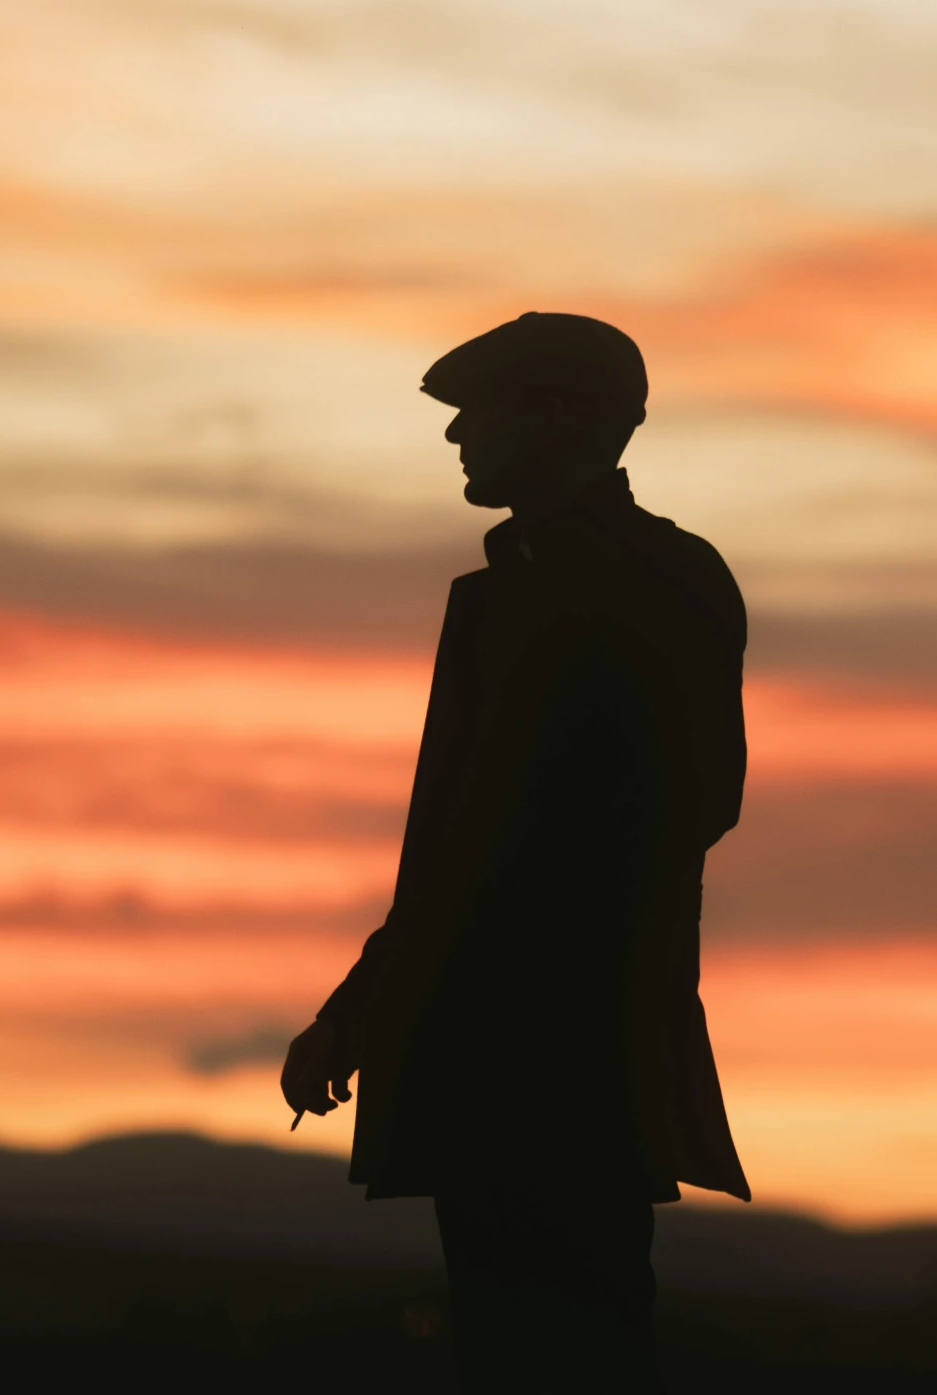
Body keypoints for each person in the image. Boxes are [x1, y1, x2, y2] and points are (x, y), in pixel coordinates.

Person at [280, 312, 751, 1391]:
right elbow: (466, 846)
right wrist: (364, 1008)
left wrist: (370, 1006)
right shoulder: (523, 586)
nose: (455, 438)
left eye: (475, 412)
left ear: (550, 417)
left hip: (568, 1055)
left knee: (567, 1349)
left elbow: (671, 805)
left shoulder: (652, 578)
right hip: (499, 1056)